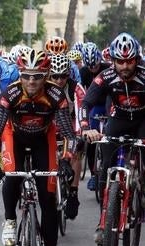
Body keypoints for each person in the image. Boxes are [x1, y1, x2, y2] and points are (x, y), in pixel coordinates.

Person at [0, 49, 76, 246]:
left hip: (42, 140)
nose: (32, 81)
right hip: (14, 137)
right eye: (26, 75)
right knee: (12, 175)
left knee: (48, 199)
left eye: (37, 76)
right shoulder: (12, 93)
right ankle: (10, 220)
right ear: (20, 75)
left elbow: (68, 133)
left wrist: (66, 159)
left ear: (46, 75)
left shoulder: (56, 94)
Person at [81, 33, 145, 245]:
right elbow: (86, 104)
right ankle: (103, 222)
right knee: (105, 167)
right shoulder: (105, 77)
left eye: (129, 61)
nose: (125, 66)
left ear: (137, 60)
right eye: (120, 62)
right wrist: (85, 127)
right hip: (118, 118)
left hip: (144, 120)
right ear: (113, 61)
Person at [48, 53, 86, 220]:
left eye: (63, 76)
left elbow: (80, 114)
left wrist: (79, 135)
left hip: (69, 124)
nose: (58, 80)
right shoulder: (43, 87)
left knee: (76, 150)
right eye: (54, 76)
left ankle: (73, 192)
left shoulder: (75, 88)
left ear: (68, 74)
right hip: (49, 125)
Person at [79, 42, 112, 192]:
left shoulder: (107, 68)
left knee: (109, 132)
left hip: (107, 101)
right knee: (92, 140)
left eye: (95, 65)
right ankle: (93, 174)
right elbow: (82, 92)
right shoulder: (84, 71)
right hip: (94, 104)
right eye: (90, 66)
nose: (93, 69)